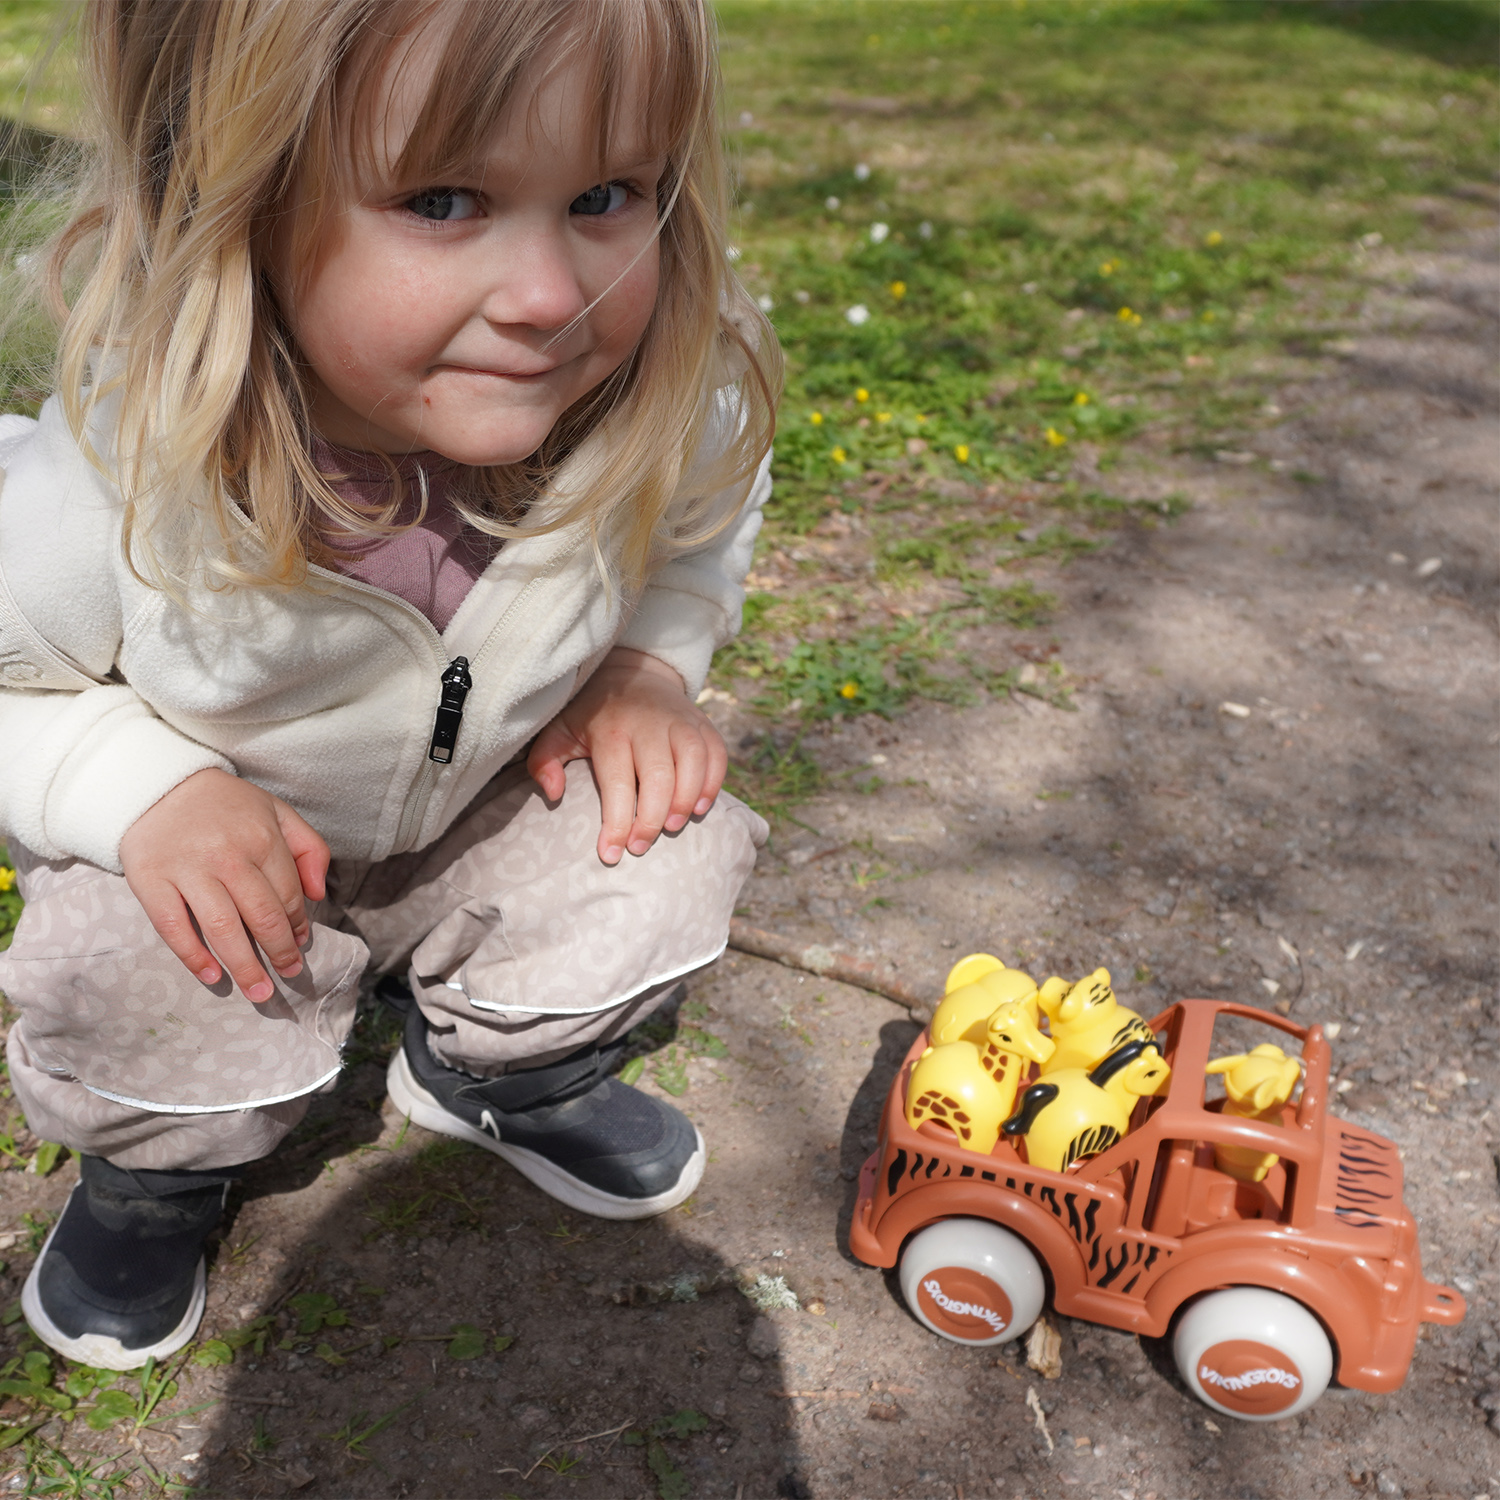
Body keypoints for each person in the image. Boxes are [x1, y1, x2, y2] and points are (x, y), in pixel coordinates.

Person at [0, 0, 778, 1371]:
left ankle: (497, 1066)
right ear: (232, 194)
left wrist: (653, 666)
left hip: (471, 813)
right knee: (129, 968)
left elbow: (708, 507)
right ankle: (155, 1173)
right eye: (443, 199)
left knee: (668, 839)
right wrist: (139, 790)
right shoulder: (113, 496)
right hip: (227, 874)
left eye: (606, 195)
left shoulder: (647, 398)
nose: (551, 292)